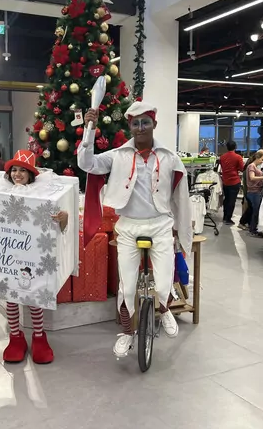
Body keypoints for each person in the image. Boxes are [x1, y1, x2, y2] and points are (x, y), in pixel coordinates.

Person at [78, 101, 192, 359]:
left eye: (145, 122)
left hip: (160, 225)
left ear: (154, 124)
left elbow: (181, 197)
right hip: (128, 227)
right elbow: (87, 164)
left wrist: (181, 227)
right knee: (127, 287)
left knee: (164, 282)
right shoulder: (117, 155)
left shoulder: (169, 157)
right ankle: (127, 333)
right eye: (135, 123)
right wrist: (89, 129)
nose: (140, 128)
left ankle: (165, 310)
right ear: (130, 126)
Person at [0, 149, 69, 365]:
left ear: (30, 174)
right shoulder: (0, 194)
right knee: (11, 297)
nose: (17, 174)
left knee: (33, 295)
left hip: (31, 253)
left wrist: (63, 217)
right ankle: (15, 337)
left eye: (22, 170)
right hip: (9, 251)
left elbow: (56, 225)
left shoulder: (41, 195)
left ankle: (39, 337)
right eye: (14, 170)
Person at [245, 149, 263, 236]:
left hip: (255, 191)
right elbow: (252, 177)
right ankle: (253, 229)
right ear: (257, 158)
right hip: (253, 191)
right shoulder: (251, 166)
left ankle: (253, 228)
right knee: (256, 211)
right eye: (262, 160)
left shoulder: (255, 167)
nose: (262, 162)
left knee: (255, 210)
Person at [219, 140, 245, 225]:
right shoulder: (238, 157)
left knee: (226, 199)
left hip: (225, 181)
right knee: (232, 201)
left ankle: (225, 216)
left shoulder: (222, 157)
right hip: (234, 181)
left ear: (227, 147)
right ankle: (228, 218)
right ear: (235, 147)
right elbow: (242, 168)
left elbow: (222, 167)